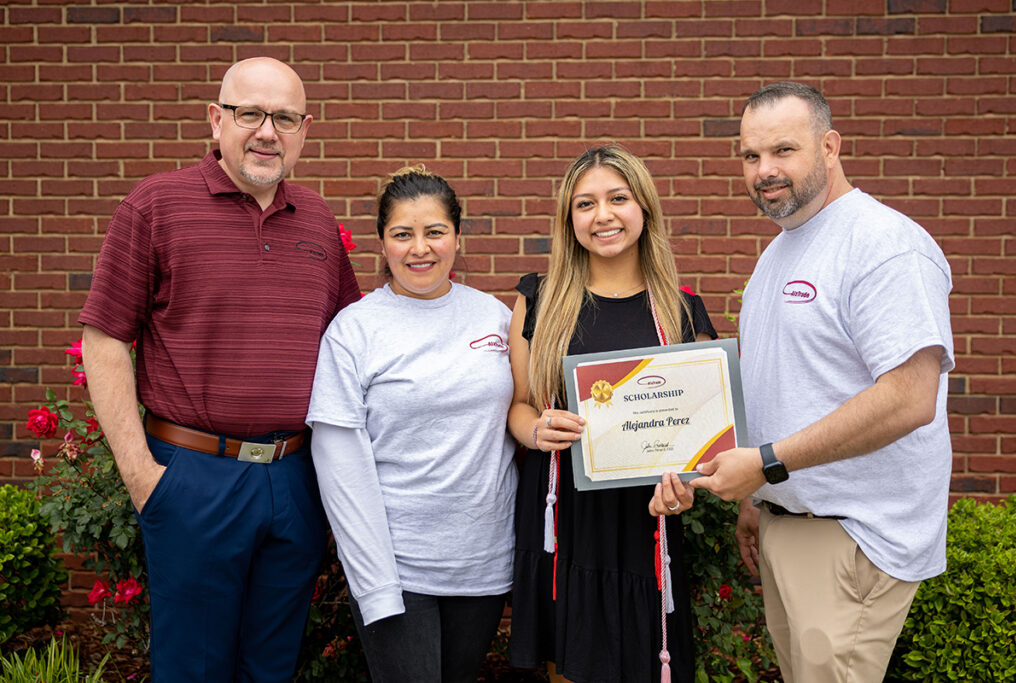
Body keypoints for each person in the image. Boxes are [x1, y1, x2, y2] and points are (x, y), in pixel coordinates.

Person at [79, 57, 361, 682]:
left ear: (304, 132)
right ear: (216, 121)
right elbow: (103, 338)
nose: (267, 132)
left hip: (295, 479)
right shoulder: (156, 206)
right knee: (192, 669)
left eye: (284, 118)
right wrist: (140, 474)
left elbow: (353, 342)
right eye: (249, 114)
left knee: (273, 666)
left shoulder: (316, 219)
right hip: (193, 477)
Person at [689, 82, 954, 683]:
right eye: (751, 156)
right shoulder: (781, 250)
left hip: (852, 539)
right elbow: (786, 385)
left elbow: (910, 400)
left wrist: (769, 464)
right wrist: (761, 498)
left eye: (784, 150)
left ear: (830, 146)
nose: (765, 171)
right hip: (794, 523)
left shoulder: (884, 245)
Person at [507, 145, 718, 683]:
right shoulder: (541, 300)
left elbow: (705, 432)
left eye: (618, 198)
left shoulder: (680, 311)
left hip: (645, 516)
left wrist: (689, 481)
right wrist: (535, 430)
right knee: (568, 666)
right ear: (568, 218)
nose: (602, 216)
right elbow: (519, 405)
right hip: (565, 511)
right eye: (585, 204)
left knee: (646, 663)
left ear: (644, 208)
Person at [306, 166, 518, 683]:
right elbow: (339, 465)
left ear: (457, 237)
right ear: (382, 243)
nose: (419, 249)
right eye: (403, 234)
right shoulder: (354, 330)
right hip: (399, 570)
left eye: (434, 232)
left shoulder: (495, 318)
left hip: (484, 564)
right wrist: (375, 584)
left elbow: (524, 414)